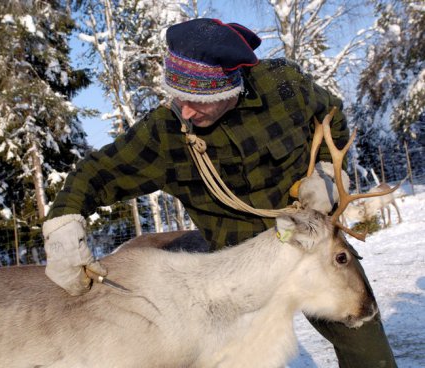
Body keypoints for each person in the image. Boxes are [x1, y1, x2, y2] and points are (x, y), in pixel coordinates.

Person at [42, 18, 397, 368]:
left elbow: (330, 117)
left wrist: (326, 175)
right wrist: (62, 224)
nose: (186, 110)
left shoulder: (283, 86)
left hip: (314, 249)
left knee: (364, 338)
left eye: (198, 100)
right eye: (178, 97)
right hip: (239, 280)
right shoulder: (166, 133)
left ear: (229, 90)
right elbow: (97, 173)